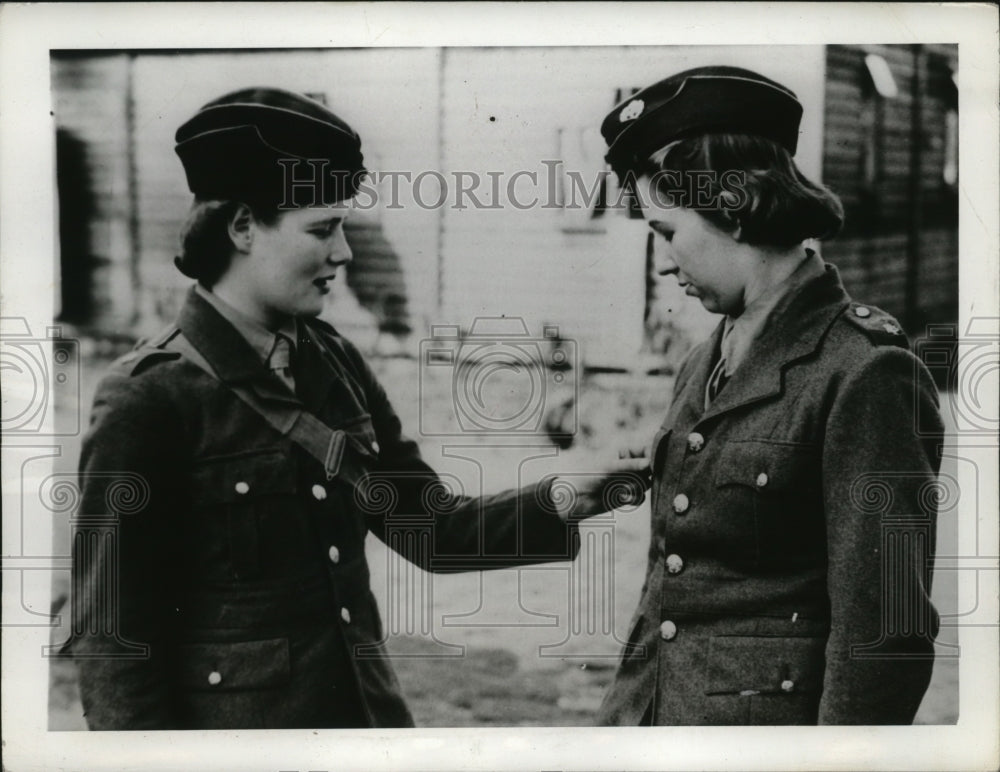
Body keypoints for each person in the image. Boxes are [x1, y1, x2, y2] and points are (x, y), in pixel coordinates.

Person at [66, 87, 646, 730]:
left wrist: (570, 496)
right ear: (242, 228)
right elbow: (112, 642)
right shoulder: (148, 397)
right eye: (322, 228)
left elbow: (429, 529)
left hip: (364, 724)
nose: (342, 253)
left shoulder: (332, 361)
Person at [594, 66, 944, 725]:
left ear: (734, 204)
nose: (663, 265)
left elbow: (887, 633)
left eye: (666, 234)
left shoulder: (865, 373)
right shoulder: (704, 361)